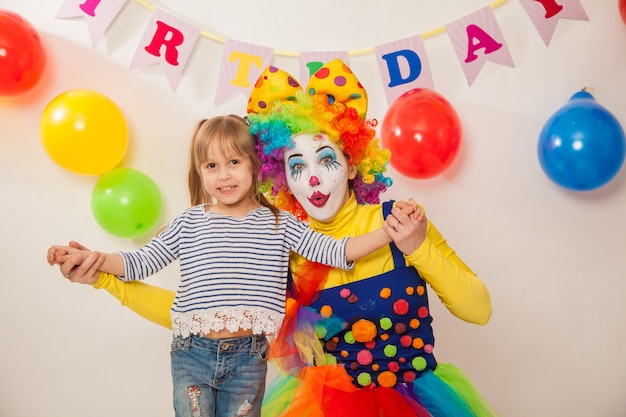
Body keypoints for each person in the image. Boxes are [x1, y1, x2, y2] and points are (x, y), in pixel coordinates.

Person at [50, 60, 497, 417]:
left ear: (355, 161)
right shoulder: (279, 239)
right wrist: (106, 279)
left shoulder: (398, 222)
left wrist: (417, 246)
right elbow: (199, 315)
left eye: (326, 158)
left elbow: (479, 310)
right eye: (297, 166)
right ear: (279, 177)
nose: (314, 178)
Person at [47, 113, 413, 417]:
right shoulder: (190, 222)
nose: (223, 175)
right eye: (211, 165)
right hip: (191, 354)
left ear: (255, 165)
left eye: (233, 162)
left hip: (247, 359)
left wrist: (388, 233)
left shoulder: (279, 224)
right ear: (200, 171)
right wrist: (91, 258)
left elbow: (338, 251)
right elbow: (140, 262)